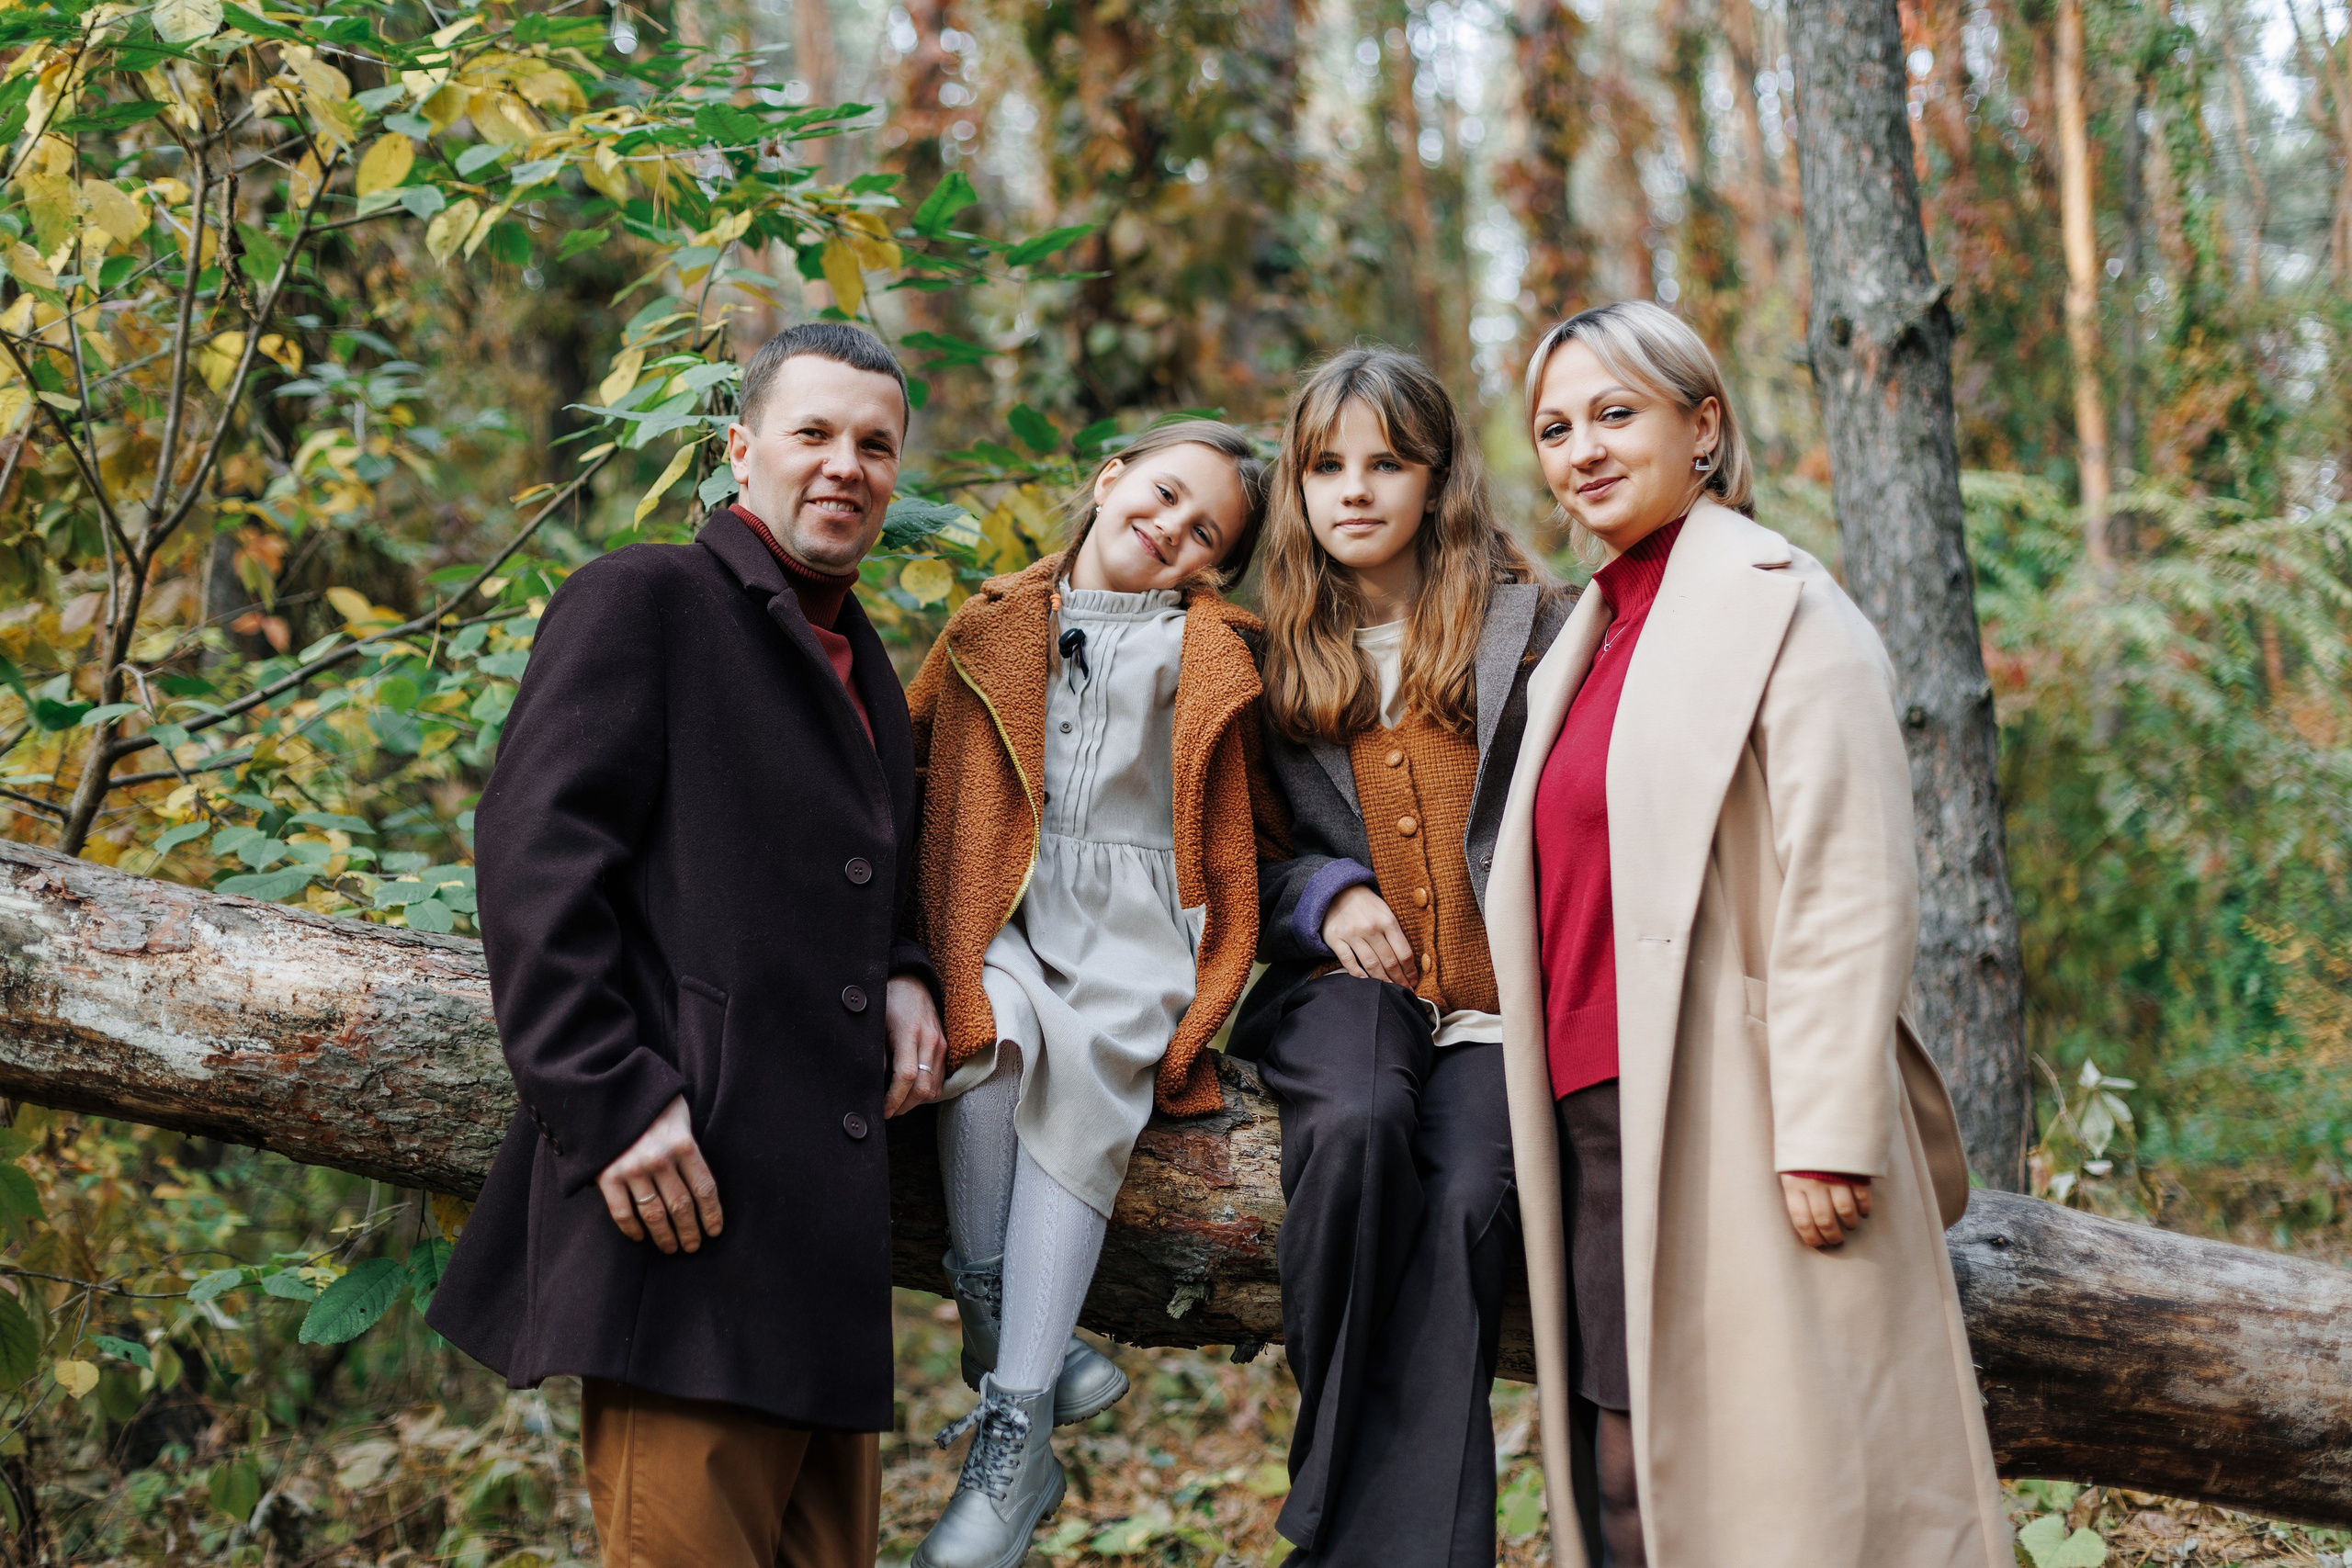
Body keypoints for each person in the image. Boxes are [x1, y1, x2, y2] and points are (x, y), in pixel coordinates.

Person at [1484, 299, 2010, 1568]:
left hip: (1742, 1104)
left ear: (1703, 426)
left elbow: (1850, 872)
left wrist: (1826, 1124)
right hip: (1596, 1101)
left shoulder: (1785, 601)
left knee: (1787, 1489)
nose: (1583, 451)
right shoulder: (1588, 633)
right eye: (1557, 429)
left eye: (1618, 414)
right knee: (1622, 1476)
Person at [426, 322, 949, 1568]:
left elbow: (863, 879)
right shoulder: (646, 597)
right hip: (684, 1224)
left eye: (875, 445)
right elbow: (533, 853)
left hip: (822, 1271)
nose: (846, 465)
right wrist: (610, 1101)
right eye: (813, 432)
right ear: (739, 448)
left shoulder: (868, 667)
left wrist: (907, 968)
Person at [902, 419, 1282, 1568]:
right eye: (1161, 496)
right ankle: (1008, 1326)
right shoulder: (990, 624)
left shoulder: (1219, 651)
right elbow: (911, 762)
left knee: (1082, 1088)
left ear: (1213, 563)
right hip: (1001, 905)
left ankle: (1012, 1435)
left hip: (1135, 927)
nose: (1167, 530)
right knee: (986, 1043)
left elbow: (1265, 814)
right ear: (1113, 479)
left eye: (1201, 531)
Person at [1230, 347, 1567, 1567]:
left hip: (1492, 1009)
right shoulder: (1262, 656)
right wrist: (1323, 893)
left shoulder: (1535, 633)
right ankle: (1344, 1509)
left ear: (1439, 479)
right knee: (1363, 1121)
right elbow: (1225, 861)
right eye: (1328, 465)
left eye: (1388, 462)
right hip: (1340, 998)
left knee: (1475, 1196)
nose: (1356, 488)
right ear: (1298, 485)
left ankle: (1348, 1533)